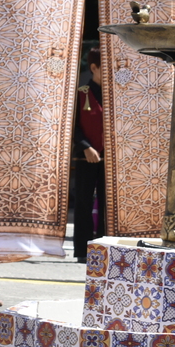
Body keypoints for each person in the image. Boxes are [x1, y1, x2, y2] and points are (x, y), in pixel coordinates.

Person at [72, 46, 106, 262]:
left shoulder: (118, 96)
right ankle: (83, 252)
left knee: (107, 204)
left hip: (109, 160)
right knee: (84, 203)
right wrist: (85, 145)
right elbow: (72, 126)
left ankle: (104, 248)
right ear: (93, 67)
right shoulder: (81, 93)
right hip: (86, 157)